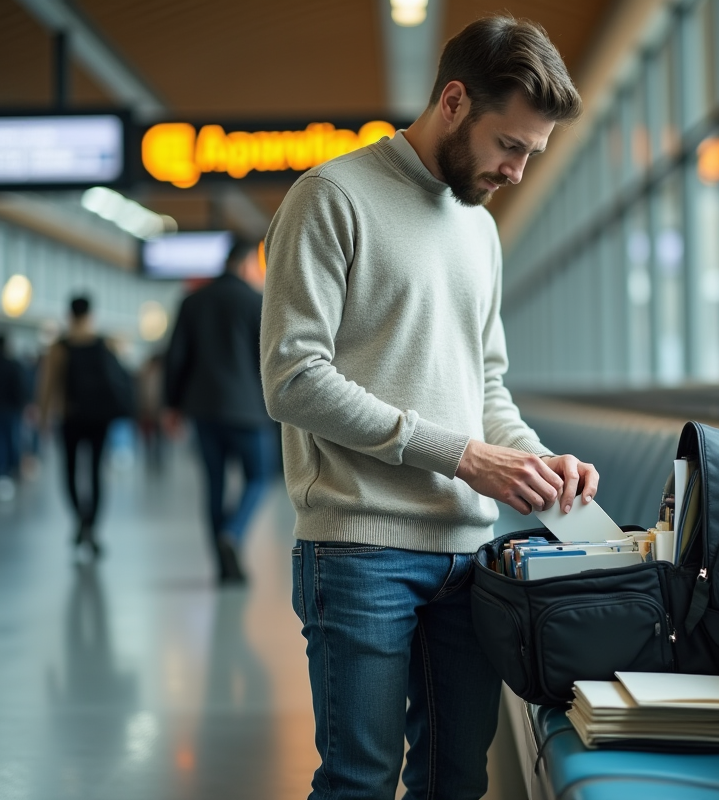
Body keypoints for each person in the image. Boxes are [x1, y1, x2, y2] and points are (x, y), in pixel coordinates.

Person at [261, 16, 595, 800]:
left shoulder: (478, 230)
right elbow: (292, 379)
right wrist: (464, 457)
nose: (516, 171)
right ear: (453, 101)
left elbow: (484, 386)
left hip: (467, 556)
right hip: (358, 552)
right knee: (360, 782)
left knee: (456, 778)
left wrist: (536, 460)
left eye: (530, 155)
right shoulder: (330, 199)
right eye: (509, 145)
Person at [164, 241, 274, 584]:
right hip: (249, 410)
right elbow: (269, 360)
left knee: (214, 483)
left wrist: (171, 405)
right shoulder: (257, 302)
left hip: (204, 409)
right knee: (258, 476)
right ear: (244, 264)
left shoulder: (193, 302)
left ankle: (222, 564)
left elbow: (176, 357)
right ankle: (234, 531)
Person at [39, 296, 131, 563]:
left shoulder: (59, 347)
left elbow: (48, 384)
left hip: (70, 417)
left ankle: (80, 518)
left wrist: (44, 416)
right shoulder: (105, 342)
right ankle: (92, 527)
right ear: (91, 314)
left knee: (69, 471)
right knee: (95, 473)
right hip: (100, 418)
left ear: (69, 315)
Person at [0, 333, 30, 500]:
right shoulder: (14, 365)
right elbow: (21, 387)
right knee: (13, 439)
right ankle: (12, 470)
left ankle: (0, 472)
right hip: (12, 410)